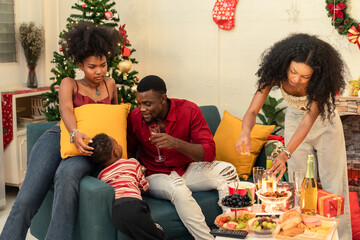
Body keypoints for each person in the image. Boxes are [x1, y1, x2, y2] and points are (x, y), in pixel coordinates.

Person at [1, 22, 120, 240]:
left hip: (88, 145)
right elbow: (66, 109)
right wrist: (74, 133)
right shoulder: (69, 83)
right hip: (59, 138)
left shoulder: (111, 84)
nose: (99, 71)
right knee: (26, 199)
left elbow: (114, 118)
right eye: (92, 66)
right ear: (80, 65)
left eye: (102, 64)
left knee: (65, 175)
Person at [235, 33, 351, 239]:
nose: (296, 79)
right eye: (293, 72)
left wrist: (285, 153)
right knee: (300, 185)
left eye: (305, 77)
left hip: (325, 124)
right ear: (285, 63)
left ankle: (339, 237)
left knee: (334, 188)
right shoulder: (274, 74)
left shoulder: (321, 84)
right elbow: (252, 111)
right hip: (294, 120)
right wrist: (245, 132)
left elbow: (309, 119)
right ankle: (301, 235)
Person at [127, 75, 239, 240]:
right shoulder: (135, 118)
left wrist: (176, 143)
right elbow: (129, 153)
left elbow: (209, 152)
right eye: (139, 103)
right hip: (154, 175)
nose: (142, 109)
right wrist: (137, 169)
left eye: (148, 104)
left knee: (227, 171)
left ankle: (231, 234)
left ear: (163, 99)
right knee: (178, 189)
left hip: (186, 169)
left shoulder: (189, 110)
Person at [88, 133, 168, 240]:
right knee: (158, 236)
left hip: (116, 212)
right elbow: (144, 186)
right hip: (133, 205)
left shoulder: (101, 175)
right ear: (116, 152)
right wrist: (142, 174)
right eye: (116, 143)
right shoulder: (132, 163)